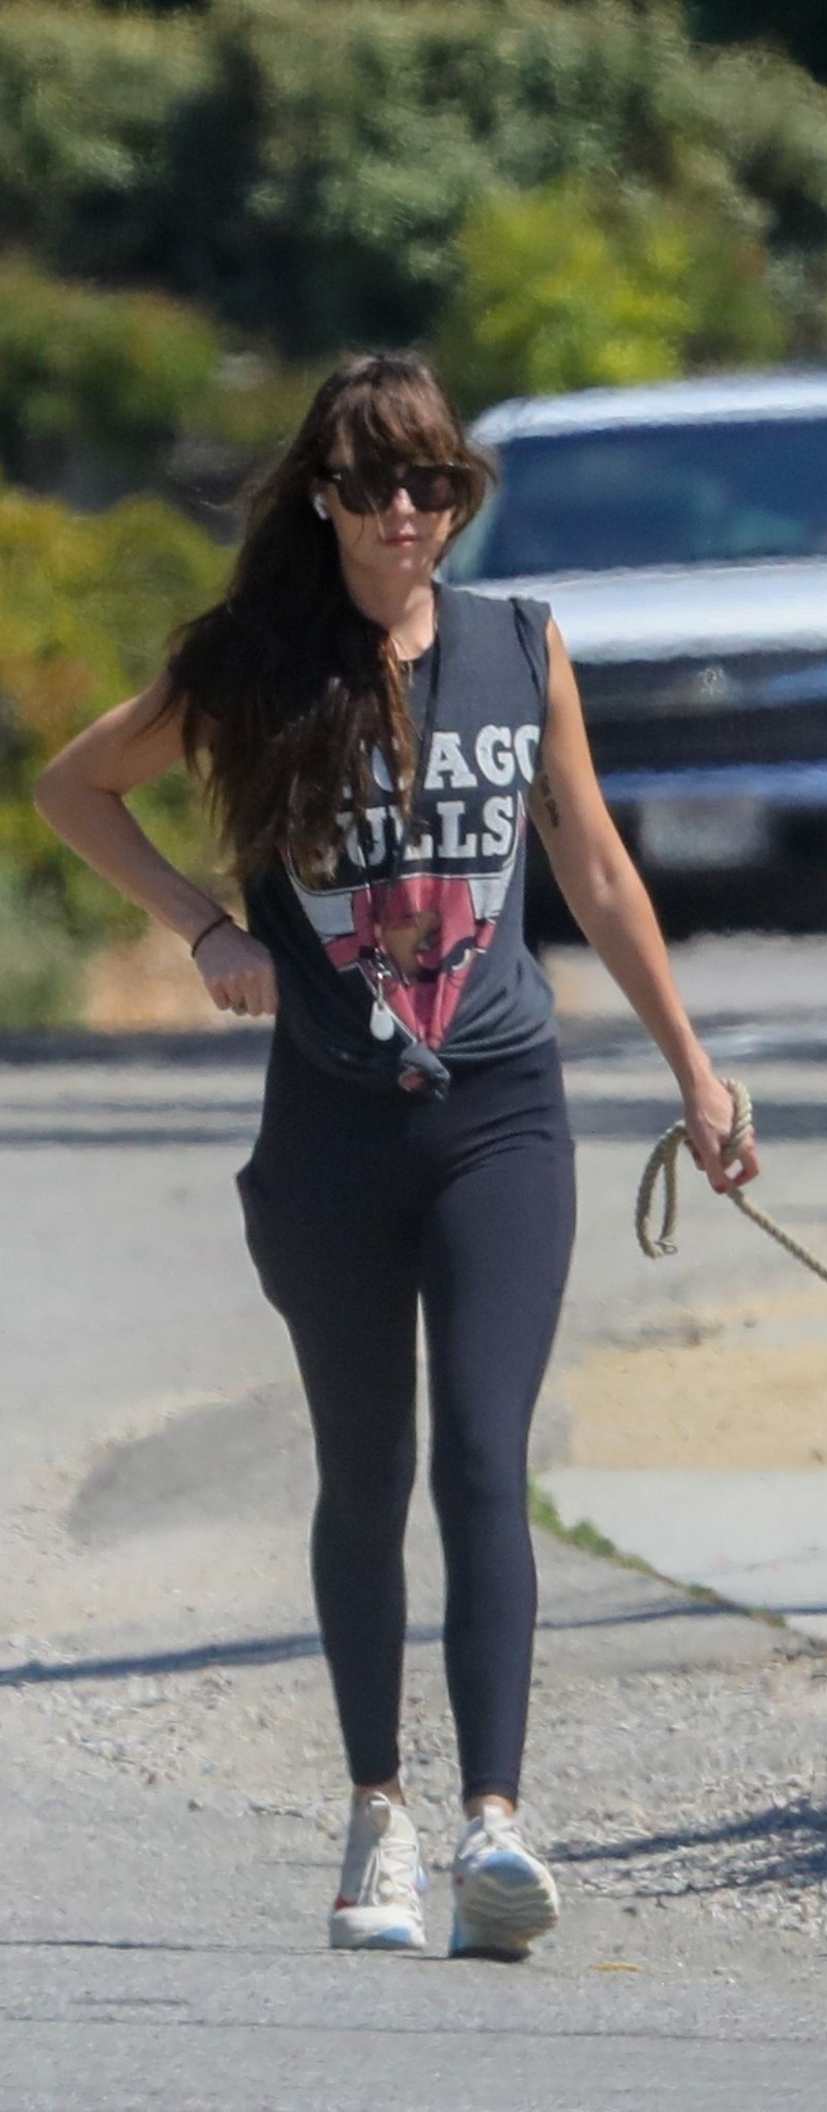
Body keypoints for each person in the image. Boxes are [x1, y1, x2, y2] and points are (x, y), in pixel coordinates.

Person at [33, 349, 760, 1962]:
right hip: (331, 1131)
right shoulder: (251, 664)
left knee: (487, 1461)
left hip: (502, 1110)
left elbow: (596, 864)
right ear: (324, 501)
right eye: (373, 489)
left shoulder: (520, 647)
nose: (407, 516)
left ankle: (496, 1824)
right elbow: (73, 787)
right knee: (368, 1475)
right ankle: (381, 1822)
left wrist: (697, 1075)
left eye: (433, 485)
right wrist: (204, 926)